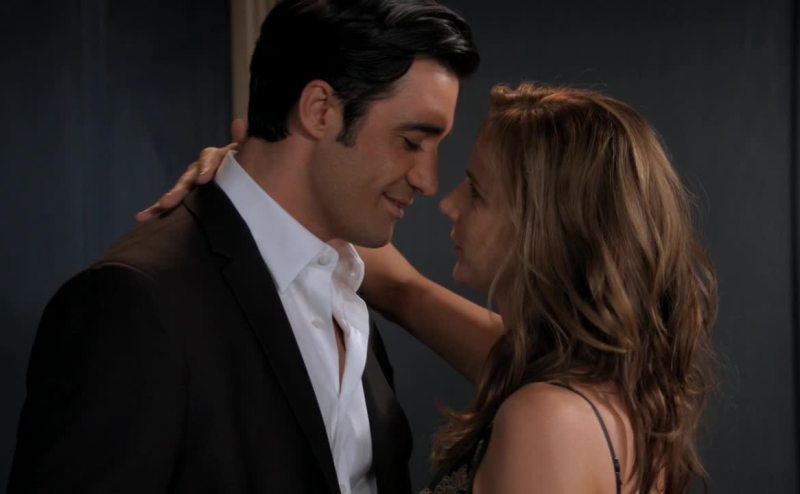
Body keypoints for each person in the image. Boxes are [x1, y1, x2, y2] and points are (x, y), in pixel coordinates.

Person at [8, 1, 479, 493]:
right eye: (411, 142)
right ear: (320, 109)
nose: (428, 180)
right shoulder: (133, 302)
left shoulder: (346, 287)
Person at [171, 83, 717, 493]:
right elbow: (403, 291)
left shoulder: (548, 421)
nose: (448, 202)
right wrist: (266, 177)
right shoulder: (590, 374)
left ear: (546, 231)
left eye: (477, 192)